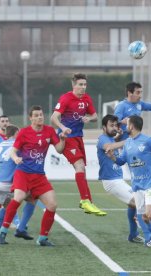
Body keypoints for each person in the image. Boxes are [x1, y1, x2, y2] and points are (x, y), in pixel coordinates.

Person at [0, 105, 65, 246]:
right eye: (37, 115)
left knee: (52, 205)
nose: (40, 117)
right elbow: (13, 151)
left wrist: (63, 138)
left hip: (39, 176)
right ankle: (2, 231)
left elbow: (59, 150)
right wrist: (15, 158)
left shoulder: (50, 131)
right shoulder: (24, 133)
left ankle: (42, 238)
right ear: (31, 118)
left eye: (41, 114)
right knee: (19, 197)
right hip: (23, 173)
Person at [107, 115, 151, 254]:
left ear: (131, 126)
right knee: (144, 217)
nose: (124, 126)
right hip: (137, 186)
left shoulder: (148, 141)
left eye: (127, 124)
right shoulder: (128, 143)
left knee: (150, 214)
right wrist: (112, 156)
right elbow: (121, 161)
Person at [50, 73, 106, 216]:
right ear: (73, 85)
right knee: (79, 166)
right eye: (80, 84)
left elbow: (95, 116)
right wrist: (63, 128)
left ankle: (87, 202)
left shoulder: (87, 99)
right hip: (67, 137)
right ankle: (85, 201)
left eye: (85, 85)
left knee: (82, 170)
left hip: (78, 138)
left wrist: (89, 118)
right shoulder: (66, 98)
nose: (83, 87)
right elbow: (53, 117)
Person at [97, 114, 151, 247]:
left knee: (133, 204)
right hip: (111, 181)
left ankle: (133, 235)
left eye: (115, 125)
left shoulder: (113, 138)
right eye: (110, 125)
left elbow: (118, 139)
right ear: (103, 127)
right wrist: (131, 139)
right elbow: (109, 147)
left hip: (118, 179)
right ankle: (150, 238)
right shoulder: (103, 139)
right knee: (138, 203)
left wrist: (124, 132)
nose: (114, 128)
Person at [0, 124, 36, 244]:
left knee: (6, 206)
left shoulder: (1, 144)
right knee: (32, 196)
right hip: (3, 182)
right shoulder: (18, 145)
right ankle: (21, 227)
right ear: (16, 134)